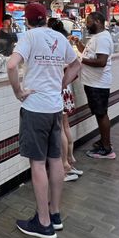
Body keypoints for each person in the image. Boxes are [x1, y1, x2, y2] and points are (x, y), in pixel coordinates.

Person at [7, 2, 80, 238]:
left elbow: (11, 65)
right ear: (46, 17)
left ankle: (43, 222)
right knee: (55, 160)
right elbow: (76, 63)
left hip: (35, 108)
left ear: (26, 20)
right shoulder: (59, 37)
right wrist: (61, 84)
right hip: (54, 107)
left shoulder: (29, 36)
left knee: (38, 164)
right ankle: (55, 214)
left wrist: (18, 92)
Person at [72, 12, 116, 159]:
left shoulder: (103, 38)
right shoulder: (97, 37)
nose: (86, 25)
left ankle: (107, 148)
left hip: (98, 83)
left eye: (89, 22)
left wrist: (80, 59)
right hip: (93, 82)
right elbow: (89, 54)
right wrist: (79, 44)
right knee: (99, 113)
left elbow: (101, 62)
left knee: (101, 114)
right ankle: (104, 141)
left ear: (98, 21)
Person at [47, 18, 83, 181]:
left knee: (60, 128)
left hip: (58, 88)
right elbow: (75, 64)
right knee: (65, 125)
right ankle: (69, 159)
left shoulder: (53, 42)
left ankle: (65, 166)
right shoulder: (65, 42)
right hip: (65, 88)